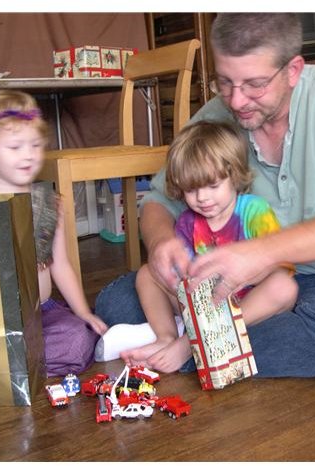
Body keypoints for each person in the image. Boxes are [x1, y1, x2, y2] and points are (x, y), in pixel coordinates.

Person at [95, 13, 315, 378]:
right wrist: (162, 241)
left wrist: (263, 251)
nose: (237, 99)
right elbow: (158, 201)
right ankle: (200, 342)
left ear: (293, 70)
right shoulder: (217, 114)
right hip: (236, 282)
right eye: (225, 82)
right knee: (115, 301)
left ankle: (181, 349)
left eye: (255, 84)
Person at [121, 120, 298, 373]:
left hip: (245, 304)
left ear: (234, 176)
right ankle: (166, 338)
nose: (202, 198)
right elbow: (183, 277)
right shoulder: (187, 221)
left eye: (213, 186)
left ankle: (190, 343)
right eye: (191, 190)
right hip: (204, 305)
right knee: (147, 273)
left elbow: (281, 267)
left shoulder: (254, 211)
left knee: (285, 287)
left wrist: (246, 274)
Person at [0, 90, 108, 377]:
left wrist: (82, 312)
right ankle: (8, 362)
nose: (28, 155)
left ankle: (14, 365)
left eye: (35, 145)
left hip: (42, 314)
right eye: (15, 147)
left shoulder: (49, 202)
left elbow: (61, 265)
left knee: (77, 337)